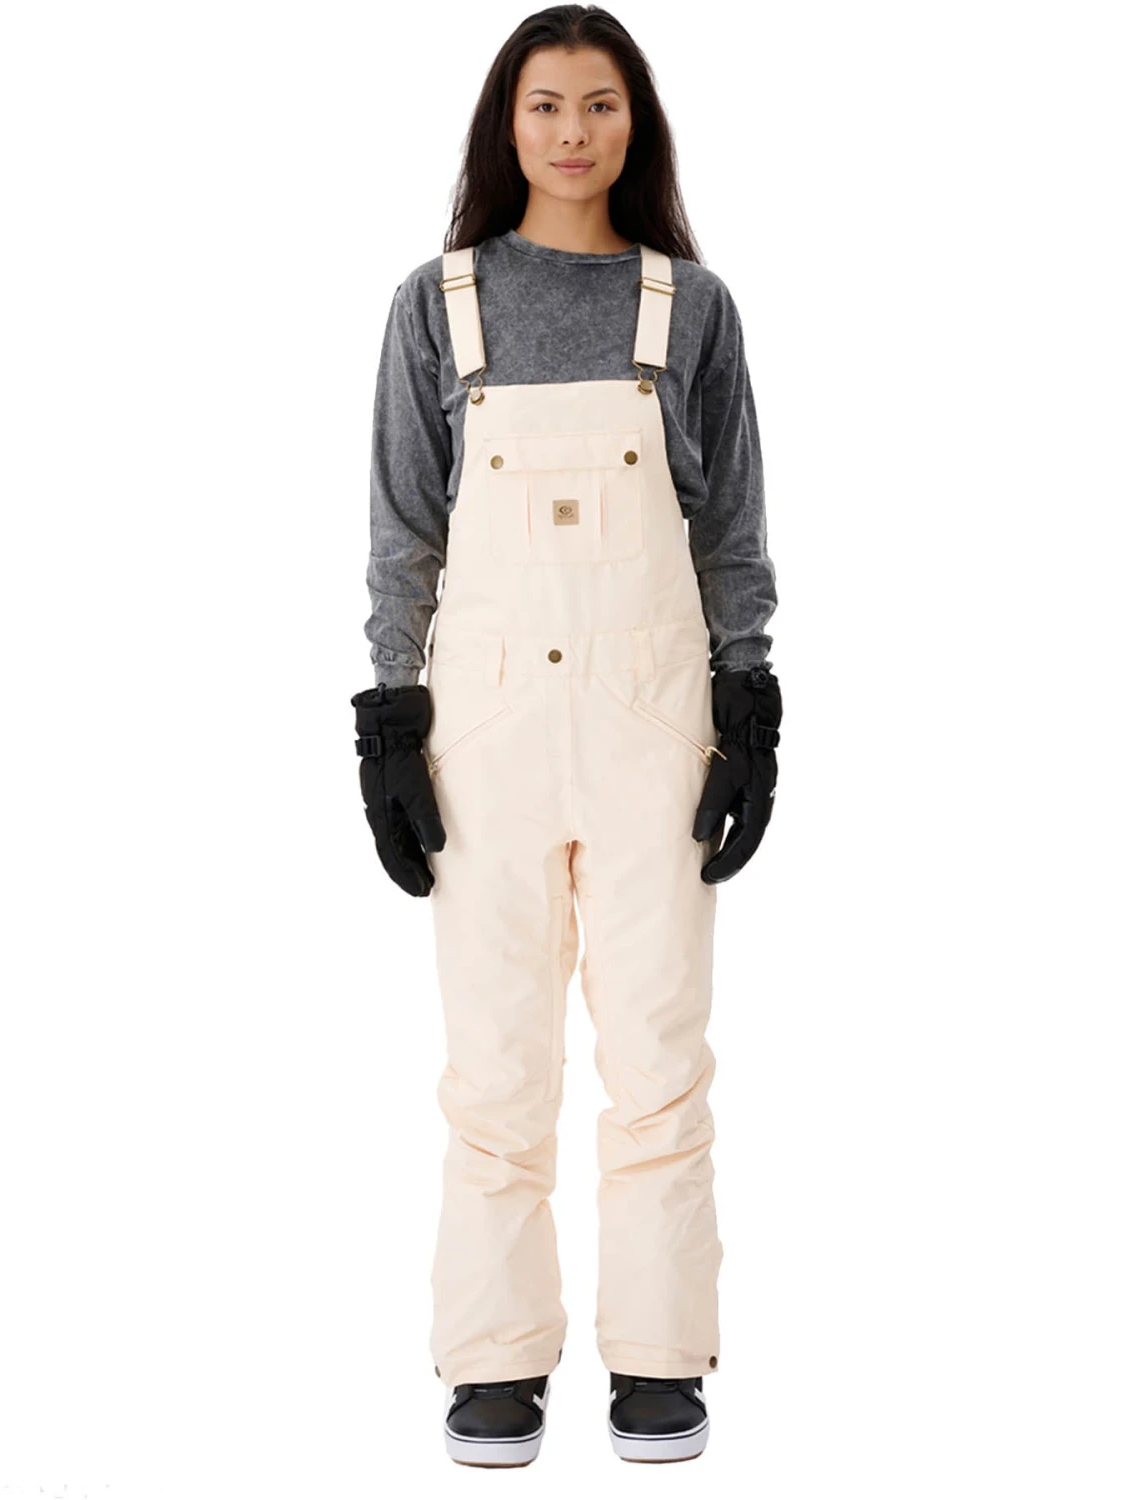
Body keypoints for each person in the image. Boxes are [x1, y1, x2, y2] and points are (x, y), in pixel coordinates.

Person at [351, 5, 781, 1468]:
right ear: (507, 124)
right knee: (495, 1059)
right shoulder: (438, 304)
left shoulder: (691, 306)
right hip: (484, 724)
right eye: (546, 105)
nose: (574, 132)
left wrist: (750, 697)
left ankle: (660, 1359)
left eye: (601, 104)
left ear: (634, 123)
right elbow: (404, 527)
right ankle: (495, 1364)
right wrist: (389, 716)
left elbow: (730, 526)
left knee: (659, 1048)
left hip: (656, 716)